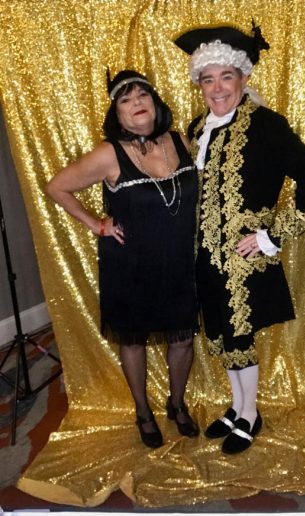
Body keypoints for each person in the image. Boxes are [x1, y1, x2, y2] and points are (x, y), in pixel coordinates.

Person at [174, 24, 305, 454]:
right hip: (204, 255)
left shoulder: (266, 125)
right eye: (208, 79)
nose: (217, 88)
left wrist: (272, 236)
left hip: (244, 257)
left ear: (243, 78)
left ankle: (249, 413)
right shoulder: (197, 127)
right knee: (222, 335)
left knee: (240, 336)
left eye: (226, 77)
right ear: (199, 85)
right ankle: (236, 405)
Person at [46, 69, 199, 449]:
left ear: (155, 102)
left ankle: (177, 404)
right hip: (130, 265)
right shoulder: (108, 153)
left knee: (182, 338)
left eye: (142, 96)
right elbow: (57, 187)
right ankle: (143, 412)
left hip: (180, 259)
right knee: (133, 341)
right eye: (126, 100)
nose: (137, 104)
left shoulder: (180, 141)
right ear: (117, 114)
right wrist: (95, 224)